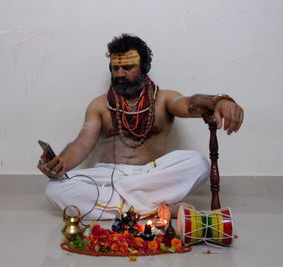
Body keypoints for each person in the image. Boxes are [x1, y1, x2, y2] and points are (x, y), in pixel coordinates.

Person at [37, 34, 244, 220]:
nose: (119, 73)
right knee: (55, 189)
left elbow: (192, 103)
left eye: (127, 68)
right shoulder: (100, 104)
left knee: (198, 163)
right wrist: (59, 163)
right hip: (109, 174)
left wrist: (219, 101)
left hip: (150, 175)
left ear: (144, 68)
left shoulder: (164, 99)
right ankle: (155, 208)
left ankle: (126, 204)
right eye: (115, 68)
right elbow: (82, 143)